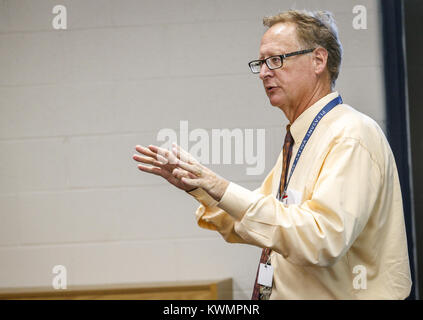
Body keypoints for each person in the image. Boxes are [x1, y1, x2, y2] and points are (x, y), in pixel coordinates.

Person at [132, 10, 412, 299]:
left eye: (276, 60)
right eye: (261, 63)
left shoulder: (351, 134)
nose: (265, 72)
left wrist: (219, 185)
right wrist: (199, 186)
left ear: (318, 60)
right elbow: (255, 223)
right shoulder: (303, 137)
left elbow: (321, 239)